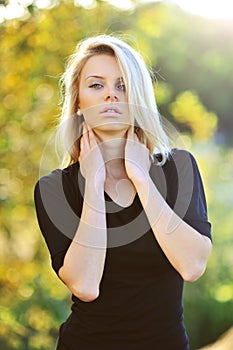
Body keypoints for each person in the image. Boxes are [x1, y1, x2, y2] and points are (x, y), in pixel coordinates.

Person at [34, 34, 212, 350]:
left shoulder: (179, 168)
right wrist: (93, 182)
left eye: (122, 85)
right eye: (96, 85)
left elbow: (192, 266)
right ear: (78, 101)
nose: (111, 96)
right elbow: (86, 285)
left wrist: (142, 179)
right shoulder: (53, 189)